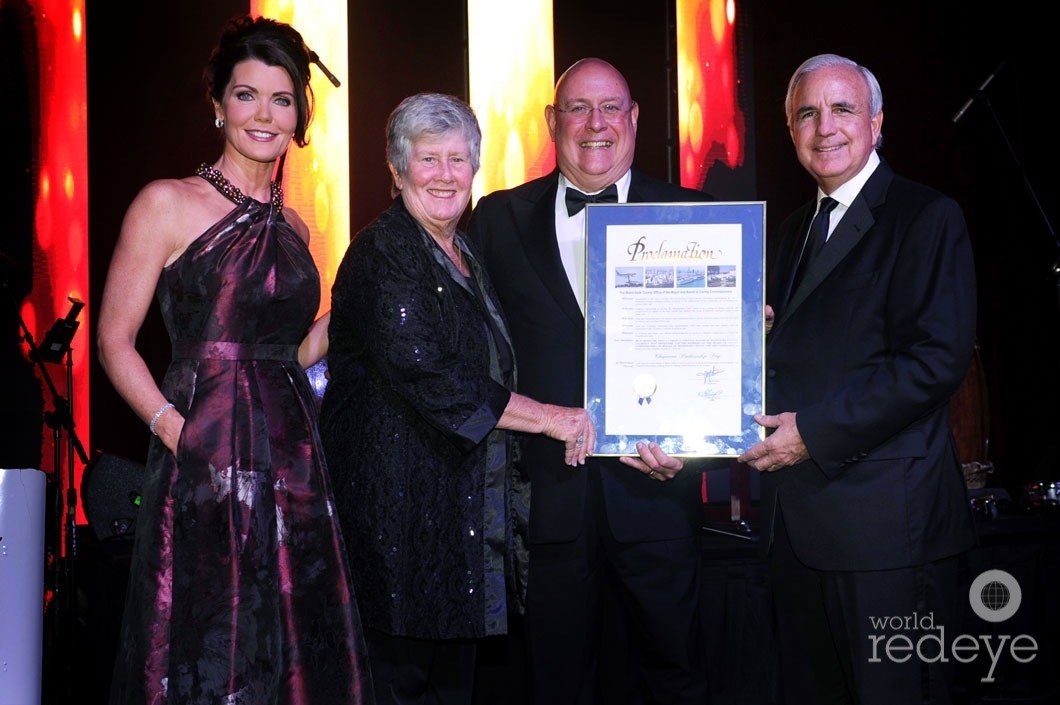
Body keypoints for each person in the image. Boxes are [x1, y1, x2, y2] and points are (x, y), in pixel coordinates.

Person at [96, 15, 373, 704]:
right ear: (219, 103)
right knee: (205, 641)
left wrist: (356, 306)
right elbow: (111, 340)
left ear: (299, 118)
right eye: (247, 95)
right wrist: (176, 431)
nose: (264, 114)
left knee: (287, 644)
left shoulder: (296, 226)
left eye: (282, 100)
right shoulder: (165, 203)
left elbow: (293, 351)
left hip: (290, 459)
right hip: (202, 460)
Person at [319, 92, 595, 705]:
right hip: (397, 521)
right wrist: (550, 419)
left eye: (458, 159)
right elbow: (430, 372)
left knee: (451, 686)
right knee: (401, 683)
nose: (446, 174)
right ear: (396, 171)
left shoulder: (464, 251)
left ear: (476, 167)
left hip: (453, 520)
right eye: (428, 159)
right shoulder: (383, 249)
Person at [467, 58, 716, 705]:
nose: (595, 124)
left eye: (611, 108)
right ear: (552, 122)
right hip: (545, 498)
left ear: (634, 119)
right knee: (555, 683)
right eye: (578, 108)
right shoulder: (497, 220)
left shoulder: (695, 215)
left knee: (673, 676)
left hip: (658, 489)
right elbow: (467, 349)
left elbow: (716, 357)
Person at [736, 53, 978, 705]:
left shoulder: (925, 217)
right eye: (806, 112)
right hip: (795, 529)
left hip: (887, 537)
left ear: (876, 122)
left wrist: (811, 433)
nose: (825, 126)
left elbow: (935, 361)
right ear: (790, 129)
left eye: (842, 108)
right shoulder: (786, 234)